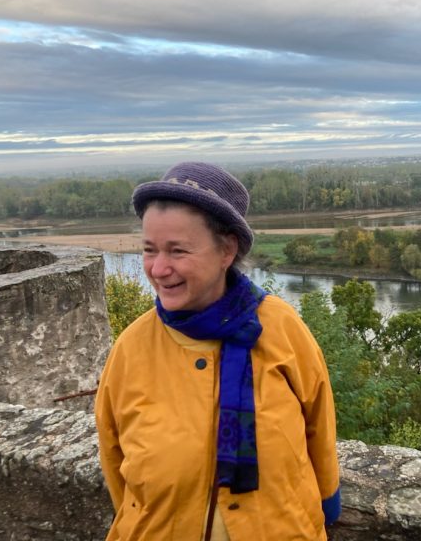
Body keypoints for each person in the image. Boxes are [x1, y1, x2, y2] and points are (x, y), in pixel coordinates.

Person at [95, 161, 341, 540]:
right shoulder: (132, 348)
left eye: (178, 251)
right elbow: (114, 457)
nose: (158, 269)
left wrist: (325, 507)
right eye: (149, 250)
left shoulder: (281, 328)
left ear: (226, 250)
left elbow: (319, 428)